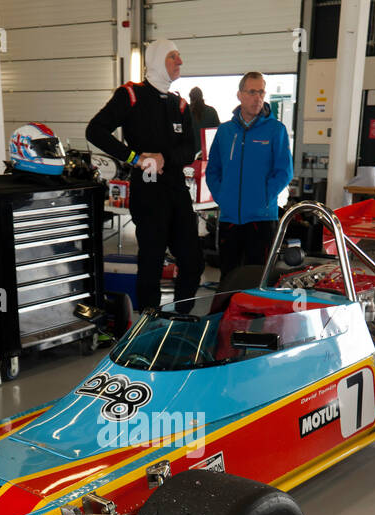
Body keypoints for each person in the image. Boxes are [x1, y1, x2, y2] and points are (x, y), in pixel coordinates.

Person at [86, 38, 202, 311]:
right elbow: (96, 131)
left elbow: (190, 148)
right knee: (151, 261)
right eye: (174, 56)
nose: (180, 62)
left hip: (176, 190)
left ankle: (180, 319)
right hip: (148, 190)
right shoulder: (131, 95)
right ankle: (149, 322)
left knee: (193, 260)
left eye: (179, 56)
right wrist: (134, 158)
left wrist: (165, 158)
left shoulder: (180, 105)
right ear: (158, 60)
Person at [204, 71, 294, 280]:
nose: (257, 97)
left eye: (261, 92)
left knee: (258, 278)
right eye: (252, 92)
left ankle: (255, 314)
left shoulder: (275, 130)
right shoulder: (225, 131)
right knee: (229, 277)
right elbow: (213, 169)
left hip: (261, 220)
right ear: (240, 95)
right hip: (229, 219)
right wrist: (222, 197)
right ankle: (226, 313)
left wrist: (263, 197)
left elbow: (284, 171)